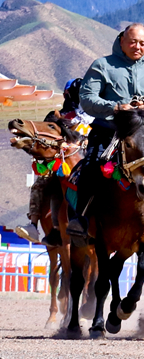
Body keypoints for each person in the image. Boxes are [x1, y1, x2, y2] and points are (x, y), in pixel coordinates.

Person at [69, 24, 144, 251]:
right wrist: (117, 107)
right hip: (108, 133)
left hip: (143, 138)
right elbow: (87, 98)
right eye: (133, 41)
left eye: (142, 43)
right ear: (122, 41)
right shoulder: (102, 65)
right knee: (89, 169)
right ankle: (81, 220)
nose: (137, 46)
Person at [16, 79, 93, 244]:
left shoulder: (96, 116)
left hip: (89, 161)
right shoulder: (57, 116)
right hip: (60, 162)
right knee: (41, 184)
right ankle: (35, 226)